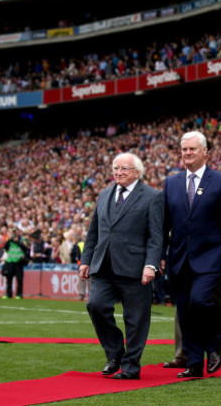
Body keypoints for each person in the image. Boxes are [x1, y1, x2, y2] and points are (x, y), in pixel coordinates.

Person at [162, 131, 221, 378]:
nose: (187, 153)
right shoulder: (171, 183)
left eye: (192, 149)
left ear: (206, 152)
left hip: (211, 257)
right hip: (179, 258)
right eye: (184, 150)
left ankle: (213, 346)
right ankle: (195, 363)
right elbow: (164, 225)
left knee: (200, 302)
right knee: (185, 310)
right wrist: (161, 255)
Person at [79, 152, 164, 380]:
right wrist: (85, 260)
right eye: (116, 168)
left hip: (136, 267)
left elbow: (156, 237)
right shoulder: (104, 194)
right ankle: (115, 353)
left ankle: (130, 367)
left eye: (124, 168)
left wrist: (151, 265)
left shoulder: (152, 197)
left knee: (135, 319)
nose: (119, 172)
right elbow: (94, 232)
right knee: (95, 306)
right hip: (103, 265)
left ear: (137, 172)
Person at [1, 229, 30, 299]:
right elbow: (5, 247)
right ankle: (8, 294)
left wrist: (17, 242)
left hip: (18, 263)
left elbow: (26, 248)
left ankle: (19, 294)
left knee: (19, 279)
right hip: (10, 262)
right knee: (9, 279)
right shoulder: (9, 242)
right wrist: (10, 239)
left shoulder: (22, 241)